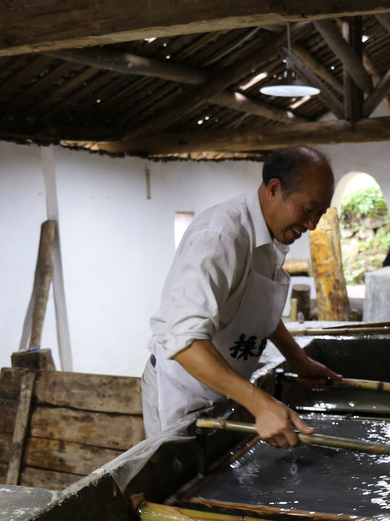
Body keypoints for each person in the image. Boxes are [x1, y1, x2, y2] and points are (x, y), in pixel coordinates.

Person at [142, 145, 342, 448]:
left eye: (320, 214)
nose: (312, 225)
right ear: (274, 188)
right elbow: (183, 340)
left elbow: (257, 308)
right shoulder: (221, 237)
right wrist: (260, 404)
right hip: (183, 390)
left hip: (224, 388)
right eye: (307, 209)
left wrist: (299, 360)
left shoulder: (267, 234)